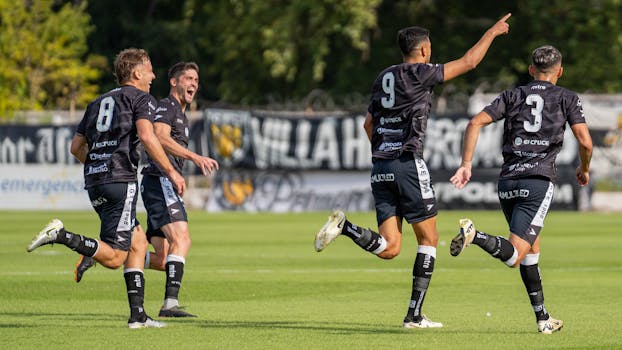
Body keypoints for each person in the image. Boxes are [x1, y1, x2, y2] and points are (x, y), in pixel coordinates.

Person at [314, 14, 512, 328]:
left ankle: (346, 227)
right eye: (429, 46)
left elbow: (368, 123)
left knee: (390, 248)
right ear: (423, 50)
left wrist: (384, 154)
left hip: (380, 166)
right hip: (407, 163)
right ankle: (414, 316)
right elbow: (469, 62)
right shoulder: (422, 73)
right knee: (429, 240)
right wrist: (491, 32)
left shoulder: (383, 77)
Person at [27, 48, 186, 329]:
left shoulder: (97, 102)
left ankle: (137, 315)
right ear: (137, 73)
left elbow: (76, 147)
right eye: (149, 69)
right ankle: (62, 235)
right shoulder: (141, 99)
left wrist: (99, 164)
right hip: (121, 181)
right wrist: (172, 171)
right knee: (114, 257)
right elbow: (148, 137)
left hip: (96, 181)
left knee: (137, 243)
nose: (153, 75)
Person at [448, 45, 592, 334]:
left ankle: (543, 319)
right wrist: (584, 168)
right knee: (515, 255)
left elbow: (475, 122)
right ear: (560, 71)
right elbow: (586, 143)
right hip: (537, 182)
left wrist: (466, 164)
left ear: (530, 71)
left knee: (531, 251)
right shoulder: (567, 98)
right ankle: (475, 235)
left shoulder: (512, 95)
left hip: (508, 181)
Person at [75, 62, 219, 318]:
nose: (193, 84)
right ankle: (170, 305)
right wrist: (194, 159)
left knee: (163, 259)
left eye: (196, 80)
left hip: (157, 183)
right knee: (182, 239)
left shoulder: (180, 113)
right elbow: (158, 136)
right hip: (159, 180)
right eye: (188, 78)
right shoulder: (167, 106)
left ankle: (96, 253)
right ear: (173, 82)